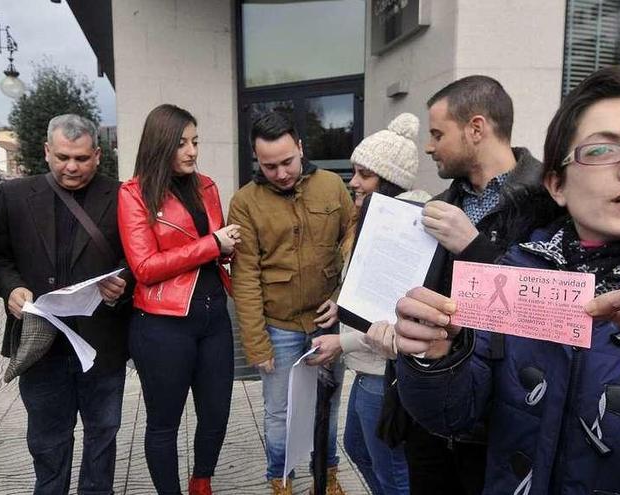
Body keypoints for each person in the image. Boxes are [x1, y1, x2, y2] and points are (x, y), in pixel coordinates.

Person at [394, 66, 620, 494]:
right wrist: (435, 360)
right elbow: (455, 416)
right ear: (557, 185)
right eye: (602, 150)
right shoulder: (516, 268)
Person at [368, 75, 545, 495]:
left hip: (497, 426)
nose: (428, 147)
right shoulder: (438, 205)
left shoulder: (550, 203)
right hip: (428, 417)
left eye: (436, 134)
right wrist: (393, 331)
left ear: (477, 129)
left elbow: (547, 312)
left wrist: (475, 247)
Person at [0, 114, 130, 495]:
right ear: (47, 151)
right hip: (41, 345)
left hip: (102, 344)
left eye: (82, 158)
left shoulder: (121, 195)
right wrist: (12, 288)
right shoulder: (15, 195)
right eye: (64, 156)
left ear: (98, 155)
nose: (72, 166)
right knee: (48, 443)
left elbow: (137, 259)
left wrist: (123, 285)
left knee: (103, 435)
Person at [228, 112, 356, 495]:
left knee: (328, 405)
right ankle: (280, 478)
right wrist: (256, 342)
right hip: (278, 326)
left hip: (326, 323)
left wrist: (341, 300)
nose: (281, 173)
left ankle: (328, 473)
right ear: (256, 159)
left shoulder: (333, 186)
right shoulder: (245, 203)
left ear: (300, 147)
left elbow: (352, 243)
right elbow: (245, 276)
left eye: (287, 162)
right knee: (279, 411)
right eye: (269, 166)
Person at [118, 104, 239, 495]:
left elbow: (214, 246)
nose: (191, 151)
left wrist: (225, 251)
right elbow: (145, 267)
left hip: (214, 315)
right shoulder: (134, 194)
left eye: (195, 141)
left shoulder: (207, 186)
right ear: (160, 144)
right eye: (182, 143)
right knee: (164, 422)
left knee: (217, 412)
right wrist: (211, 245)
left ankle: (201, 482)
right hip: (162, 323)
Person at [311, 113, 429, 494]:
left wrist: (340, 342)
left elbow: (396, 318)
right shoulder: (375, 220)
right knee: (358, 449)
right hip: (370, 370)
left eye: (364, 174)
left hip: (386, 375)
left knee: (392, 473)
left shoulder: (405, 230)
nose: (354, 182)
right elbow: (368, 295)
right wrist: (340, 307)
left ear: (389, 180)